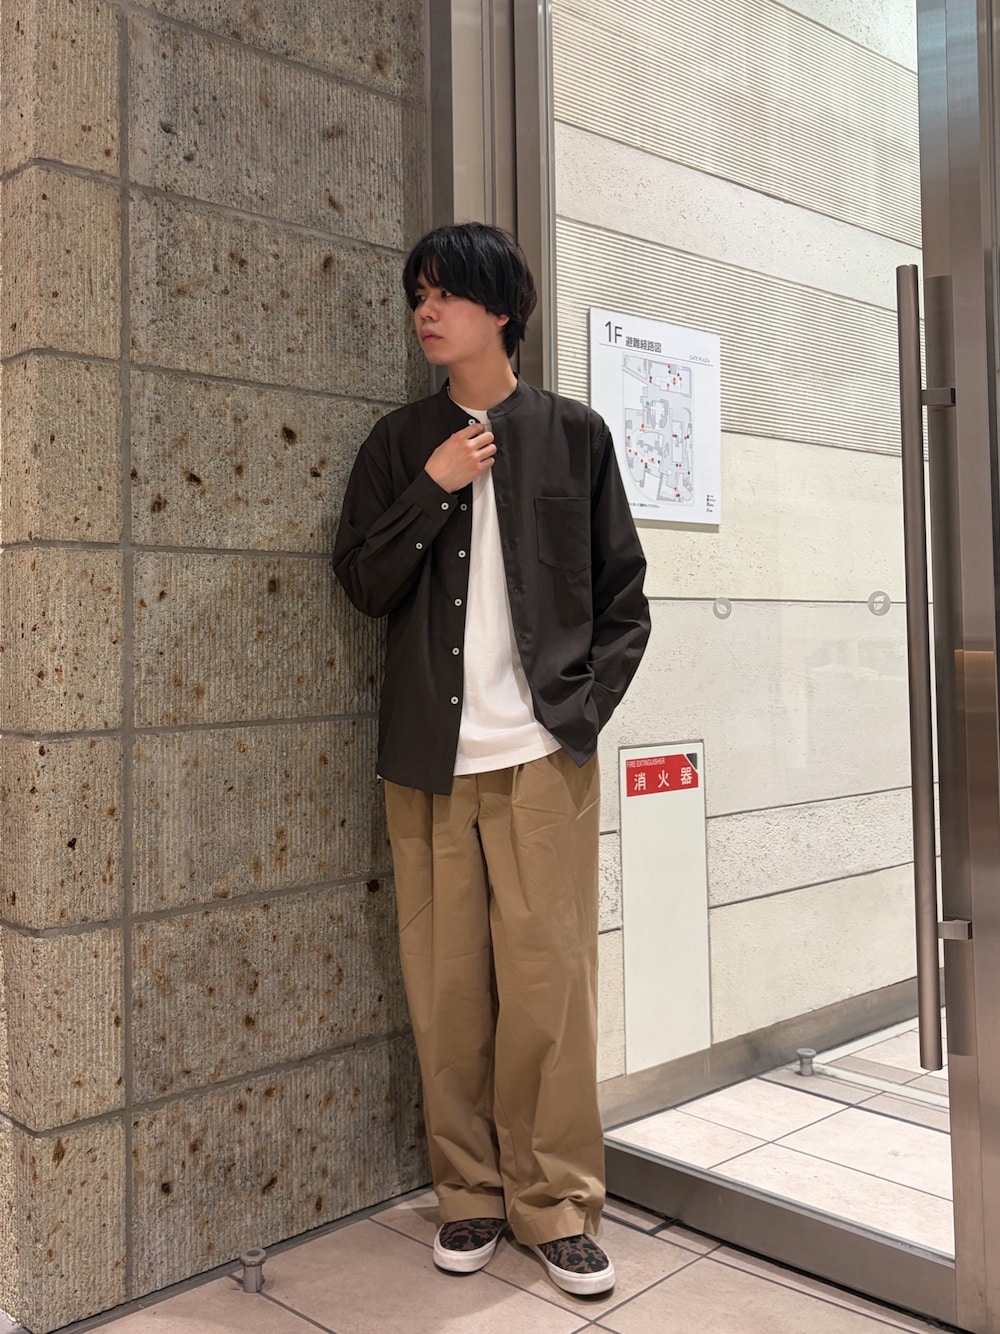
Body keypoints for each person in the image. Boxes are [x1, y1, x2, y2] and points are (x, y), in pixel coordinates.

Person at [333, 222, 649, 1296]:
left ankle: (554, 1203)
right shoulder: (398, 441)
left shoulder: (574, 435)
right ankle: (466, 1194)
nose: (426, 311)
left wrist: (579, 714)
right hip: (429, 760)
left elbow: (623, 599)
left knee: (551, 989)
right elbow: (361, 582)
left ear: (501, 310)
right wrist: (433, 485)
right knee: (447, 989)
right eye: (418, 294)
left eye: (447, 294)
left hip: (542, 759)